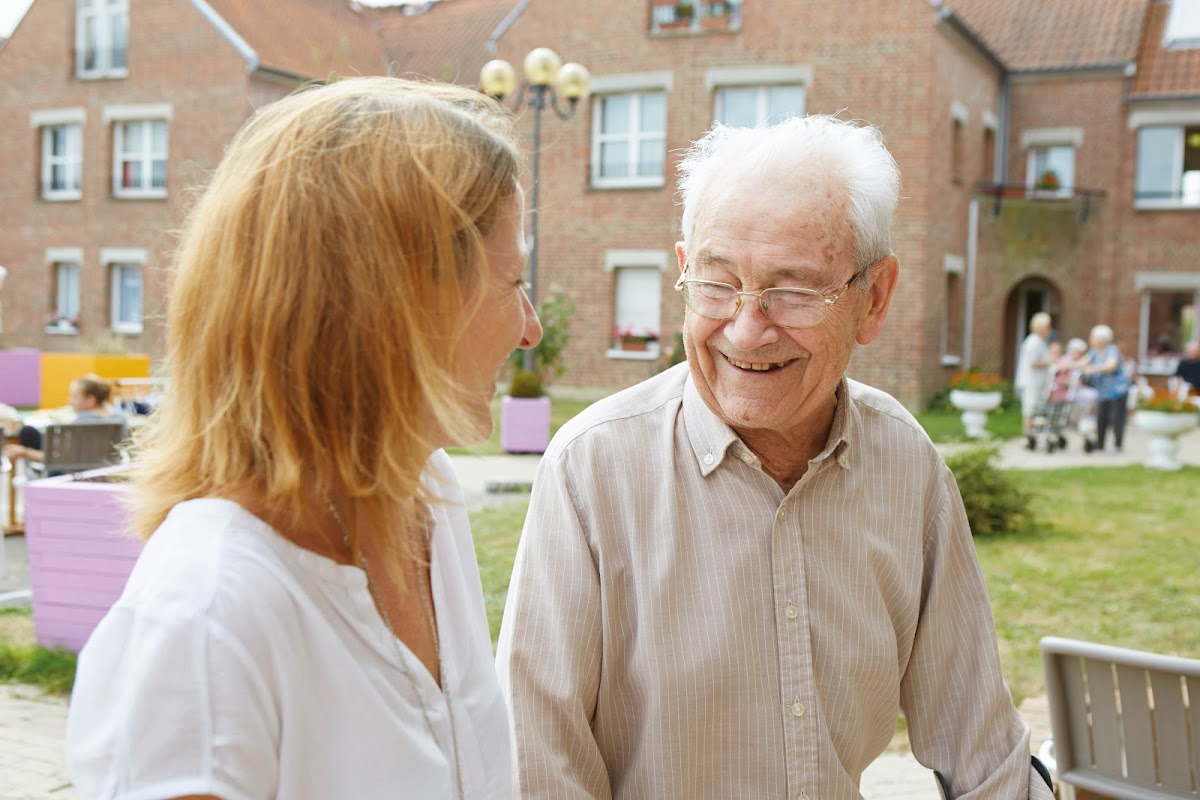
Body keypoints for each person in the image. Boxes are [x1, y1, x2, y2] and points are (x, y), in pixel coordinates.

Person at [497, 116, 1053, 799]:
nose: (747, 329)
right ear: (682, 272)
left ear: (872, 300)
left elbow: (984, 751)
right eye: (718, 282)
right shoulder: (592, 471)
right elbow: (536, 768)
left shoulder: (906, 466)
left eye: (793, 290)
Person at [66, 77, 541, 799]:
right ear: (401, 307)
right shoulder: (205, 621)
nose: (530, 327)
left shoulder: (427, 497)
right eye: (513, 282)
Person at [2, 374, 125, 470]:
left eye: (74, 397)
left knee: (27, 432)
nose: (70, 401)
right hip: (106, 474)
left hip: (68, 477)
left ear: (90, 400)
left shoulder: (81, 423)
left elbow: (60, 460)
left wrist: (24, 452)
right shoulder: (119, 419)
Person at [1081, 324, 1130, 453]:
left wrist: (1093, 369)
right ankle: (1100, 444)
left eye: (1093, 337)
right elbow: (1082, 362)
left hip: (1118, 391)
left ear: (1101, 340)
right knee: (1101, 417)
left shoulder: (1112, 350)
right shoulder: (1094, 352)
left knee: (1116, 418)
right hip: (1103, 391)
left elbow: (1111, 366)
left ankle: (1117, 444)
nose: (1090, 340)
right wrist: (1066, 365)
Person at [1015, 312, 1054, 449]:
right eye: (1048, 326)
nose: (1050, 330)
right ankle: (1028, 438)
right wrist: (1050, 361)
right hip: (1032, 382)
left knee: (1034, 410)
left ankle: (1032, 437)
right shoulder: (1034, 342)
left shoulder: (1039, 342)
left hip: (1038, 383)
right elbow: (1032, 363)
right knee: (1030, 410)